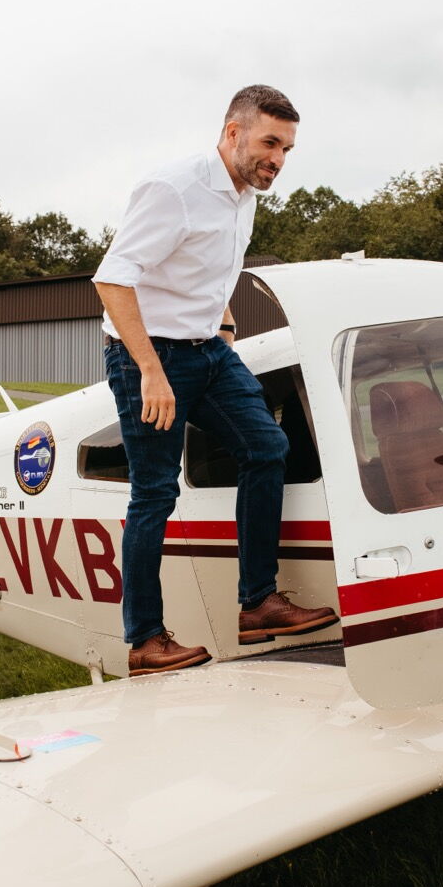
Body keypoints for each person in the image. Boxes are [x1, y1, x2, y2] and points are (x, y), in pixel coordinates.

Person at [93, 84, 338, 676]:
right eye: (269, 142)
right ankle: (146, 641)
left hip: (207, 352)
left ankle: (257, 603)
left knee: (266, 447)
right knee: (155, 493)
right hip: (147, 357)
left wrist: (222, 327)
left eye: (287, 148)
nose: (277, 159)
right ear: (233, 132)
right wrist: (151, 371)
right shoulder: (173, 188)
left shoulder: (243, 195)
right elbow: (112, 278)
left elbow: (213, 270)